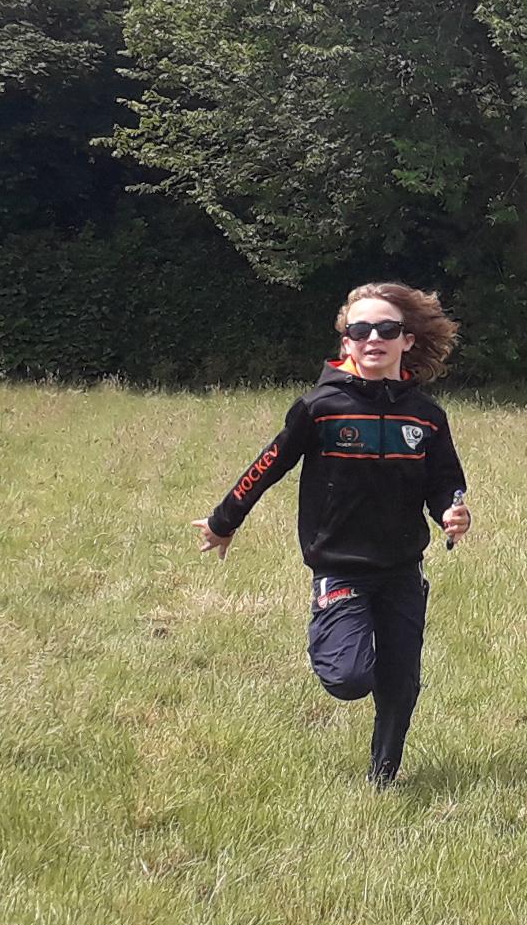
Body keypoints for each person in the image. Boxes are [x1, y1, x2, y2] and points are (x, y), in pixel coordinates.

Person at [196, 282, 472, 787]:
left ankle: (383, 780)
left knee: (401, 682)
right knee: (349, 678)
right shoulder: (320, 407)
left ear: (407, 340)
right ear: (347, 341)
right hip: (340, 567)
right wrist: (223, 520)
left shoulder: (426, 416)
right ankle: (333, 631)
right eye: (360, 329)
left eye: (386, 329)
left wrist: (452, 513)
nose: (373, 338)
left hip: (402, 570)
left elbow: (444, 483)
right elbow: (268, 465)